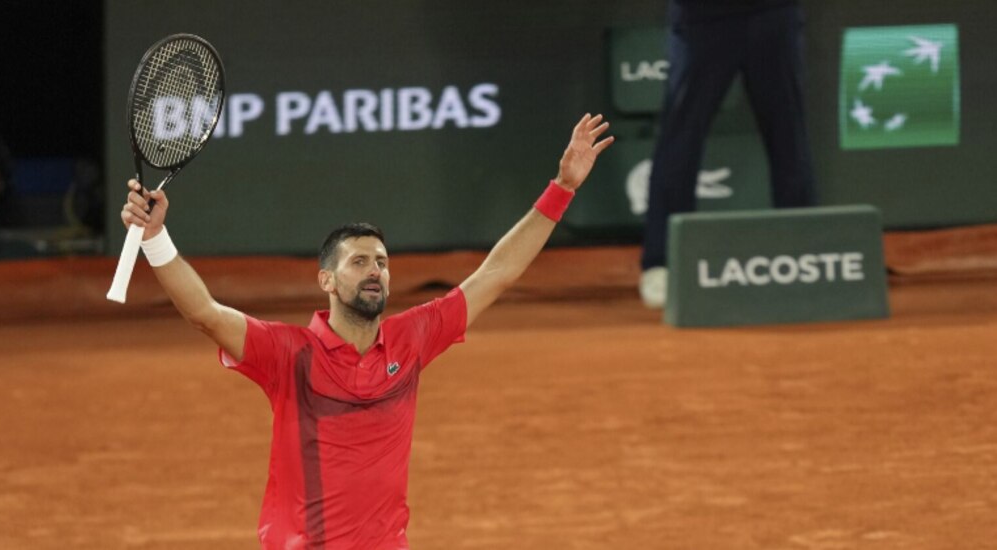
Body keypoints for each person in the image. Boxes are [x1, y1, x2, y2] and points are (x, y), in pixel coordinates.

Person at [119, 114, 613, 549]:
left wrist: (562, 189)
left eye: (381, 261)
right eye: (358, 262)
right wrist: (156, 238)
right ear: (327, 281)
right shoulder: (288, 354)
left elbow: (495, 274)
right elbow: (205, 312)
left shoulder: (412, 337)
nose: (375, 270)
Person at [638, 0, 816, 308]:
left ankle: (805, 257)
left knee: (790, 139)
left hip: (774, 13)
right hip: (702, 19)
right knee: (680, 139)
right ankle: (662, 262)